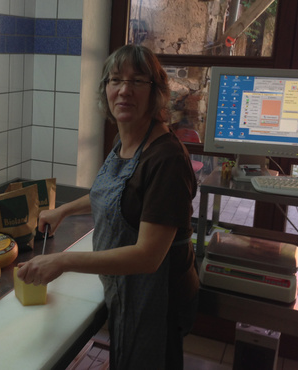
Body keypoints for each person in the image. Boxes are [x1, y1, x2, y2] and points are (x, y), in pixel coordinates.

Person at [16, 44, 199, 369]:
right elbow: (115, 193)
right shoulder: (125, 139)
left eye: (137, 81)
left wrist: (63, 261)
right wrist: (63, 210)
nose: (124, 90)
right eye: (116, 80)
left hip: (158, 299)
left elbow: (148, 256)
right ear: (105, 89)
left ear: (156, 92)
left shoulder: (166, 159)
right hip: (126, 286)